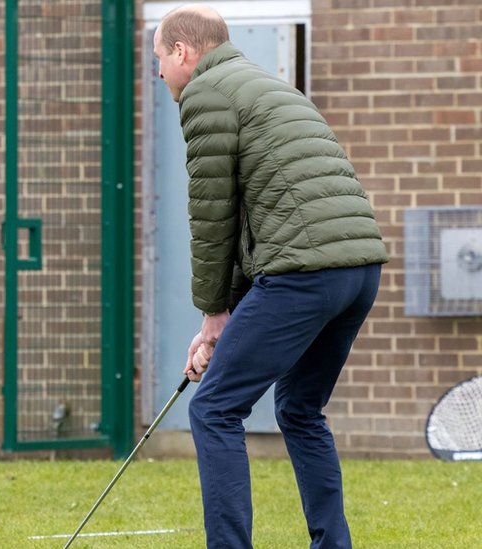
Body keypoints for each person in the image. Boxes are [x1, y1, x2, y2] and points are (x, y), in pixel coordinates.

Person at [153, 5, 389, 549]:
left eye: (160, 59)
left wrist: (214, 313)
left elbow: (214, 215)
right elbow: (253, 217)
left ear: (183, 53)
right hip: (357, 273)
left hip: (304, 274)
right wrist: (220, 320)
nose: (159, 72)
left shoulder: (206, 95)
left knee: (214, 409)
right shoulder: (268, 86)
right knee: (300, 409)